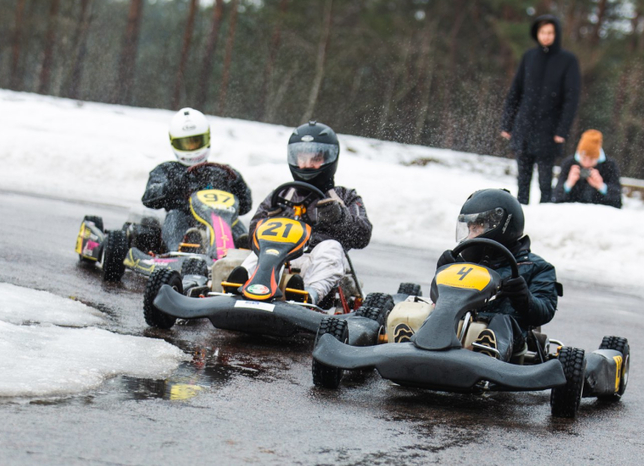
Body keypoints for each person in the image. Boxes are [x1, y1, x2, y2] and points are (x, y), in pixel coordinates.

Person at [400, 189, 558, 362]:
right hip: (457, 326)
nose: (470, 235)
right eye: (469, 229)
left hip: (510, 340)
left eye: (476, 228)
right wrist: (444, 271)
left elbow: (545, 311)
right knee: (435, 310)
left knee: (503, 321)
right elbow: (441, 300)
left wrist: (524, 298)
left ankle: (489, 351)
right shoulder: (464, 261)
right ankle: (417, 341)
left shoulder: (537, 267)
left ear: (500, 226)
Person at [238, 121, 372, 305]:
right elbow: (254, 231)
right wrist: (271, 221)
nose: (307, 165)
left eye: (315, 159)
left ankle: (308, 296)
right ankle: (241, 285)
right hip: (279, 260)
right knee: (260, 251)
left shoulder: (344, 196)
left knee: (330, 247)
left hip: (317, 264)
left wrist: (339, 218)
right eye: (302, 158)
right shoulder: (282, 194)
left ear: (329, 159)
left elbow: (363, 235)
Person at [141, 107, 253, 251]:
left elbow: (245, 205)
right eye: (187, 143)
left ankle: (244, 248)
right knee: (175, 216)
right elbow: (149, 197)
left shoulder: (222, 172)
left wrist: (237, 183)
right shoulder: (167, 170)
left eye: (196, 142)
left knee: (233, 220)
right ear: (175, 143)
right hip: (184, 220)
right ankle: (181, 249)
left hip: (218, 221)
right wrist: (174, 185)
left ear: (207, 138)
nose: (192, 147)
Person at [500, 15, 581, 205]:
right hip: (524, 125)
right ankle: (520, 213)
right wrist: (507, 122)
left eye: (550, 32)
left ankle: (545, 213)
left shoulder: (568, 60)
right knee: (522, 179)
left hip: (550, 129)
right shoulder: (529, 57)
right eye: (542, 32)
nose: (546, 36)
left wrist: (562, 130)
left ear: (557, 34)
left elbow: (571, 99)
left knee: (545, 181)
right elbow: (515, 92)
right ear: (537, 34)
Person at [553, 129, 622, 209]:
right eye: (584, 158)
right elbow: (555, 198)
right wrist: (568, 184)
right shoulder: (569, 164)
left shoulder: (610, 165)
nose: (587, 163)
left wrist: (601, 186)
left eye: (591, 159)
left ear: (597, 157)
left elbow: (618, 201)